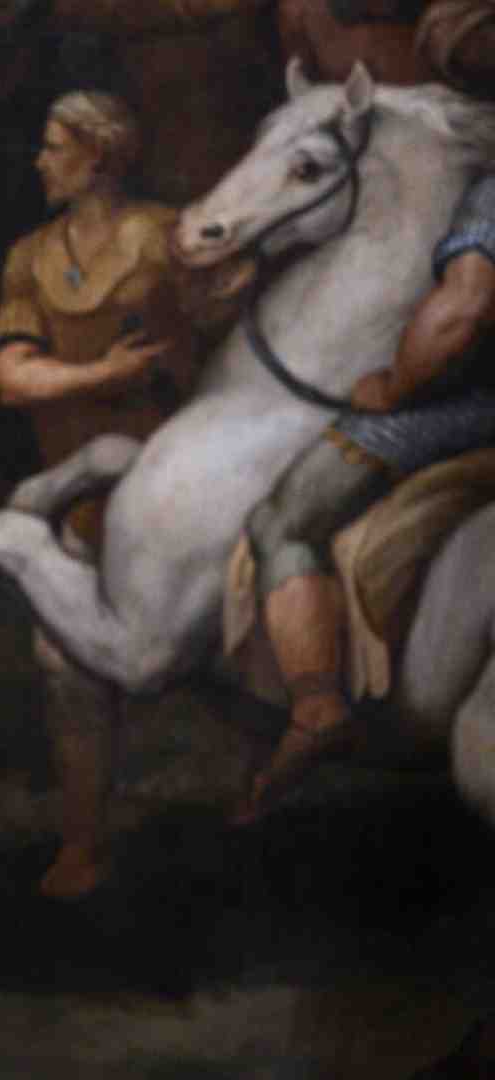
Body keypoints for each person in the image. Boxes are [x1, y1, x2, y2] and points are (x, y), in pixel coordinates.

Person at [235, 0, 495, 822]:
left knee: (282, 518)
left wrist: (395, 384)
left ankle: (317, 706)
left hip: (476, 410)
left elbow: (460, 314)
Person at [0, 90, 244, 896]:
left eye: (53, 146)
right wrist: (105, 374)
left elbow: (228, 324)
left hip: (177, 492)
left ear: (97, 156)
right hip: (80, 501)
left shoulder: (168, 235)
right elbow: (12, 379)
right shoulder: (29, 256)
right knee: (65, 668)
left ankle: (250, 833)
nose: (40, 161)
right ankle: (83, 845)